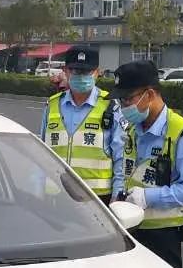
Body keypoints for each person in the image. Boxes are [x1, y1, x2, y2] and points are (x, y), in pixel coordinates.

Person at [112, 60, 183, 268]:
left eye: (128, 99)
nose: (124, 106)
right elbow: (124, 170)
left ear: (150, 94)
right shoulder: (131, 129)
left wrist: (148, 197)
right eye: (121, 100)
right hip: (129, 229)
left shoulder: (182, 133)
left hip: (163, 235)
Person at [39, 45, 125, 201]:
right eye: (76, 71)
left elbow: (121, 157)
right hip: (56, 197)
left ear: (97, 73)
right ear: (65, 71)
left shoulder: (111, 105)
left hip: (97, 200)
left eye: (87, 72)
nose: (81, 76)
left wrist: (117, 198)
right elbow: (41, 152)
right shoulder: (51, 105)